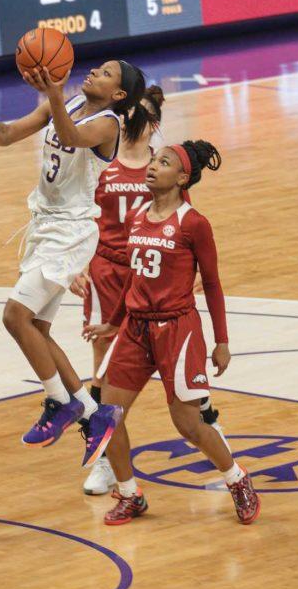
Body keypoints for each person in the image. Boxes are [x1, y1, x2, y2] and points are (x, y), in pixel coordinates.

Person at [0, 60, 146, 465]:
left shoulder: (109, 123)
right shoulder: (70, 101)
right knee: (37, 329)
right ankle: (95, 412)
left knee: (14, 317)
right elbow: (7, 136)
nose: (95, 71)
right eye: (99, 67)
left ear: (118, 95)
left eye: (107, 73)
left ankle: (59, 402)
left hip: (71, 233)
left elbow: (71, 135)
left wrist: (54, 94)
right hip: (45, 226)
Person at [84, 141, 259, 526]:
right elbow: (132, 276)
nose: (151, 166)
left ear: (182, 178)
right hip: (134, 328)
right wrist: (113, 321)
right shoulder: (139, 216)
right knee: (106, 415)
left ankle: (237, 479)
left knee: (188, 425)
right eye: (152, 160)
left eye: (162, 163)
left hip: (176, 329)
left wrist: (222, 341)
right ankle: (130, 494)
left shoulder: (194, 223)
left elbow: (212, 284)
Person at [69, 89, 227, 496]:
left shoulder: (168, 166)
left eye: (142, 113)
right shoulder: (100, 157)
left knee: (180, 384)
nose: (133, 117)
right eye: (128, 111)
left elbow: (184, 227)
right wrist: (74, 262)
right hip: (107, 270)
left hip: (150, 275)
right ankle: (106, 463)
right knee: (103, 368)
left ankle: (209, 426)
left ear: (154, 123)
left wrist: (181, 273)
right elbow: (77, 213)